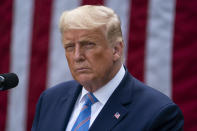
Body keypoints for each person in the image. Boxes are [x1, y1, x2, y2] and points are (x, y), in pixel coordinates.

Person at [31, 5, 184, 131]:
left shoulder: (158, 114)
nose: (77, 56)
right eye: (70, 47)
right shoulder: (50, 100)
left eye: (88, 44)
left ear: (116, 50)